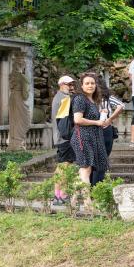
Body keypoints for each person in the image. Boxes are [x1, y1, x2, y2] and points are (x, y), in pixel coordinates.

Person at [71, 73, 109, 201]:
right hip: (82, 138)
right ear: (81, 86)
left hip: (92, 137)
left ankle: (73, 202)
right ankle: (88, 203)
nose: (90, 85)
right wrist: (97, 122)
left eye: (92, 83)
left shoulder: (93, 100)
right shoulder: (80, 99)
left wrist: (101, 116)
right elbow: (78, 119)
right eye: (87, 83)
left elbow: (94, 119)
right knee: (86, 169)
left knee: (84, 171)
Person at [91, 77, 124, 186]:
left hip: (100, 129)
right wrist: (110, 119)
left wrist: (110, 119)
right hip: (100, 129)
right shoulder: (105, 98)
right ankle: (96, 185)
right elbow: (121, 106)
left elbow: (121, 106)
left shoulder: (104, 98)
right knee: (101, 158)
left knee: (98, 159)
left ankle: (94, 185)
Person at [51, 76, 75, 204]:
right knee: (64, 166)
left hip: (61, 137)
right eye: (68, 85)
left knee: (66, 165)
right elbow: (64, 121)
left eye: (72, 85)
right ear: (61, 85)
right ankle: (59, 195)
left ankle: (61, 194)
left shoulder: (59, 97)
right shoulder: (64, 98)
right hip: (64, 138)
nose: (71, 87)